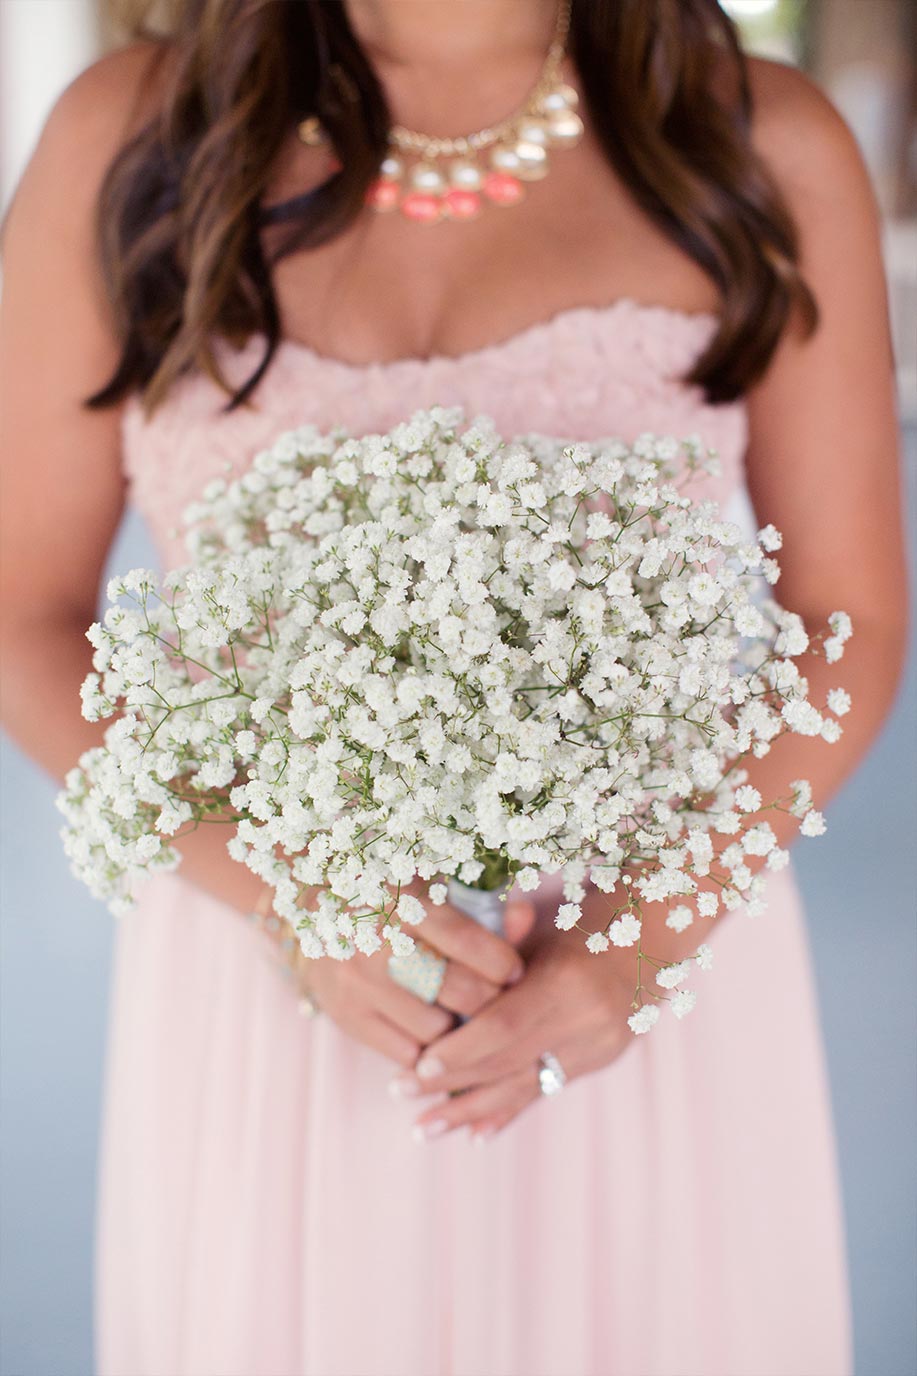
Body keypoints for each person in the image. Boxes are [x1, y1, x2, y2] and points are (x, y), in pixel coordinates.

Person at [0, 1, 907, 1373]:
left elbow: (844, 616)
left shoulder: (758, 142)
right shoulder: (128, 136)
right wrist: (290, 889)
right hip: (277, 992)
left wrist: (637, 939)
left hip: (633, 989)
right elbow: (24, 614)